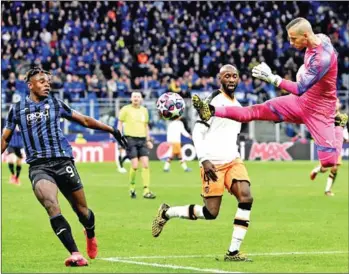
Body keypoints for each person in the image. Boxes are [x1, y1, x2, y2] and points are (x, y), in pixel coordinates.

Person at [1, 67, 127, 267]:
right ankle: (75, 253)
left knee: (82, 211)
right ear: (30, 85)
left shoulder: (55, 104)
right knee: (51, 204)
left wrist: (112, 130)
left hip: (63, 162)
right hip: (38, 166)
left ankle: (90, 232)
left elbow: (85, 120)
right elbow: (5, 139)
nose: (47, 84)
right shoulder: (16, 110)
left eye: (48, 82)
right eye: (42, 81)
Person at [192, 18, 348, 170]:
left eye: (293, 39)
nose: (291, 43)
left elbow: (300, 88)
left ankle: (338, 124)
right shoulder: (320, 41)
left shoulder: (322, 58)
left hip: (320, 111)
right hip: (300, 102)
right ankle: (211, 110)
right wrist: (306, 73)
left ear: (306, 35)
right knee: (254, 111)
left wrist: (272, 78)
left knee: (329, 162)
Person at [152, 65, 253, 262]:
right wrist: (204, 159)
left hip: (233, 161)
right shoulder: (212, 101)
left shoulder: (239, 105)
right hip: (212, 163)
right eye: (227, 76)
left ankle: (233, 252)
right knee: (210, 212)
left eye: (235, 76)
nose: (232, 79)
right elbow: (198, 132)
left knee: (246, 197)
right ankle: (167, 212)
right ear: (220, 79)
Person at [118, 91, 156, 199]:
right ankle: (132, 188)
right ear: (131, 98)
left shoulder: (144, 110)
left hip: (142, 140)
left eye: (138, 97)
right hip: (130, 139)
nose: (136, 98)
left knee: (145, 165)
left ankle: (146, 190)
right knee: (134, 165)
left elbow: (146, 126)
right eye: (134, 96)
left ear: (141, 99)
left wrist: (148, 140)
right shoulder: (125, 109)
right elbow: (120, 123)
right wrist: (119, 137)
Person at [310, 98, 349, 196]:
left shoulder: (342, 117)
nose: (336, 104)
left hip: (337, 145)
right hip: (327, 145)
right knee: (325, 169)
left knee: (335, 168)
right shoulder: (326, 116)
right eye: (334, 102)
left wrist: (346, 137)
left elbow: (344, 130)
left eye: (338, 102)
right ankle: (317, 169)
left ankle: (327, 190)